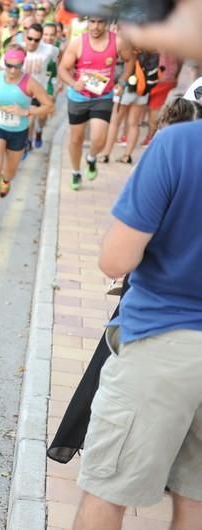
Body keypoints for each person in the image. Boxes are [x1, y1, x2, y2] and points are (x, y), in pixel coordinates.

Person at [72, 86, 202, 530]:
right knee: (197, 501)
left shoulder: (178, 144)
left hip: (164, 341)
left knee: (107, 493)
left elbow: (116, 260)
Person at [0, 44, 53, 230]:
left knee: (9, 172)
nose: (12, 70)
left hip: (18, 132)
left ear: (23, 64)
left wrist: (26, 111)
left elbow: (49, 106)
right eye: (9, 65)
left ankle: (6, 180)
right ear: (4, 63)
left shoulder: (30, 83)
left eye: (17, 66)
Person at [58, 17, 132, 191]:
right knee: (76, 139)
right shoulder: (77, 43)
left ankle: (91, 158)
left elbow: (130, 60)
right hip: (79, 97)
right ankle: (76, 172)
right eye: (92, 22)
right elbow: (62, 68)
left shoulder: (118, 42)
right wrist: (73, 83)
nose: (96, 26)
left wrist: (122, 83)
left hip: (103, 97)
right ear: (87, 23)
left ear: (106, 23)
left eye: (100, 22)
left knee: (99, 140)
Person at [21, 23, 58, 156]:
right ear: (26, 36)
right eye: (30, 38)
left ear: (40, 39)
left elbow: (58, 60)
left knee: (41, 117)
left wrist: (55, 83)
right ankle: (27, 143)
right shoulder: (19, 48)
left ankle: (39, 131)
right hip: (24, 90)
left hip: (40, 90)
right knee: (29, 119)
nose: (32, 42)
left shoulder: (49, 49)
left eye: (36, 40)